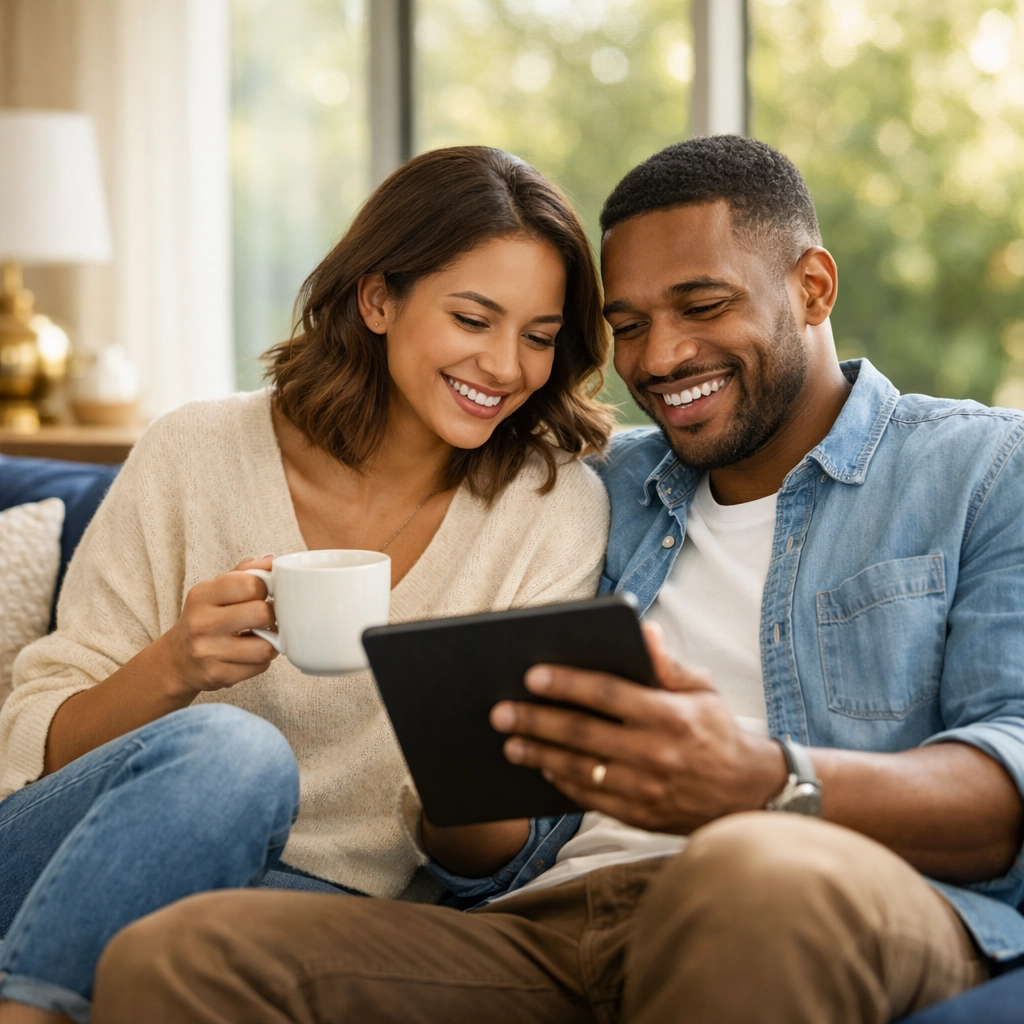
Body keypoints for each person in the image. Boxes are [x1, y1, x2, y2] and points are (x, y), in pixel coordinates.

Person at [93, 136, 1024, 1024]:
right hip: (558, 922)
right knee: (181, 954)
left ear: (812, 287)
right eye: (628, 326)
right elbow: (498, 855)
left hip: (819, 895)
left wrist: (757, 781)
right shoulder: (595, 486)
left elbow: (1007, 781)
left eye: (702, 307)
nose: (660, 359)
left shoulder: (979, 471)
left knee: (746, 871)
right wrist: (458, 783)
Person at [0, 146, 614, 1024]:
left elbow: (491, 867)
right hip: (72, 855)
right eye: (474, 320)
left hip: (314, 914)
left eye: (541, 338)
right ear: (377, 300)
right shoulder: (193, 452)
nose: (507, 367)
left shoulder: (552, 507)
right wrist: (178, 665)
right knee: (232, 753)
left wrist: (463, 770)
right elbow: (36, 749)